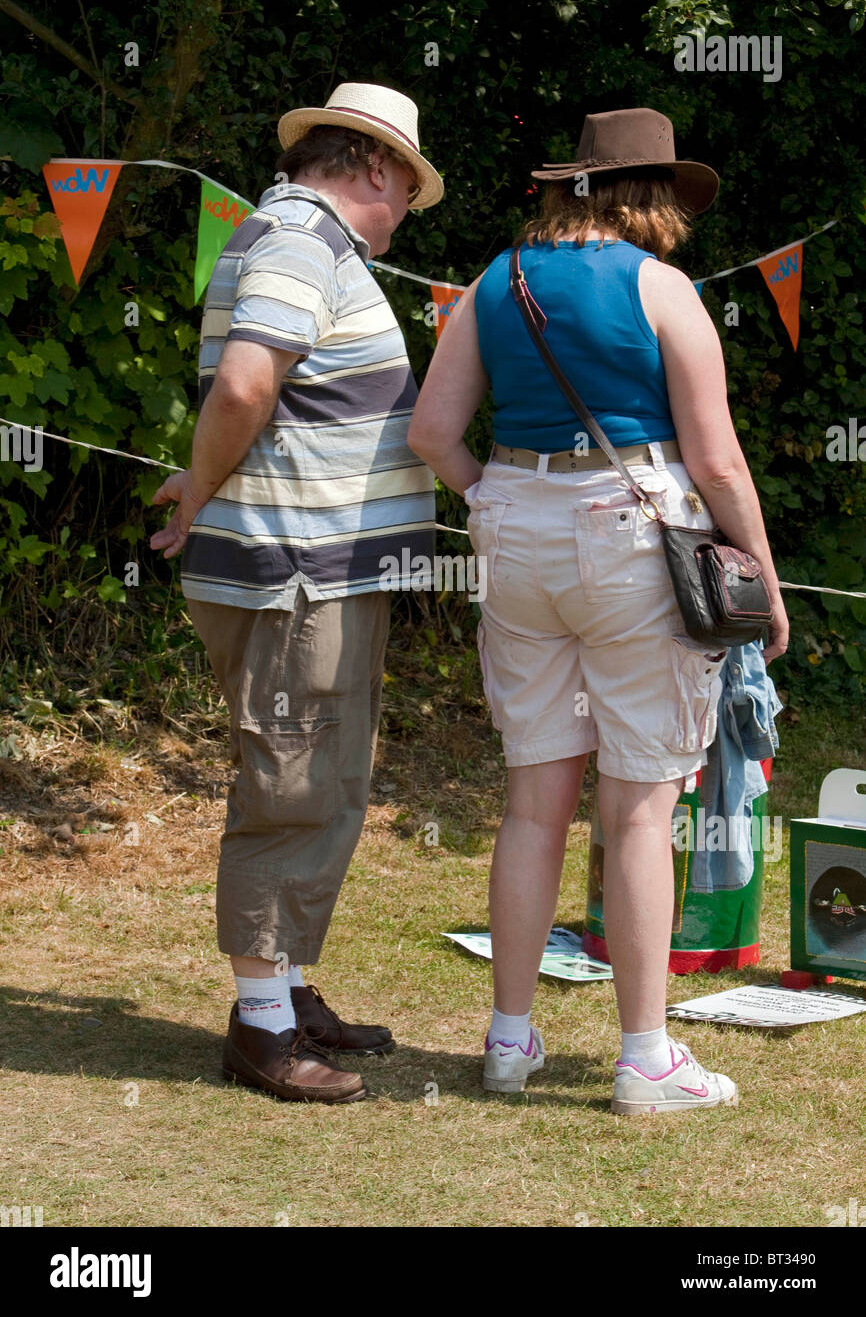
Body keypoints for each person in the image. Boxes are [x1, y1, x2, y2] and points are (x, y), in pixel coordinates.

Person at [408, 107, 788, 1114]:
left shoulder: (496, 280)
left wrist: (491, 495)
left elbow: (433, 430)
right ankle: (644, 1057)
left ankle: (505, 1039)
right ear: (647, 194)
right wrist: (760, 570)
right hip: (633, 534)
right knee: (637, 807)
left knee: (534, 798)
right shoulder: (660, 288)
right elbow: (712, 460)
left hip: (517, 526)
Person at [149, 83, 443, 1103]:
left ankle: (288, 982)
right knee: (290, 787)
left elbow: (258, 400)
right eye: (409, 183)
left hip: (314, 568)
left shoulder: (299, 240)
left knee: (321, 780)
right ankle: (260, 1023)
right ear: (375, 167)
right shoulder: (298, 242)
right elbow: (242, 387)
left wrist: (199, 481)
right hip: (294, 572)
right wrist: (209, 485)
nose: (407, 204)